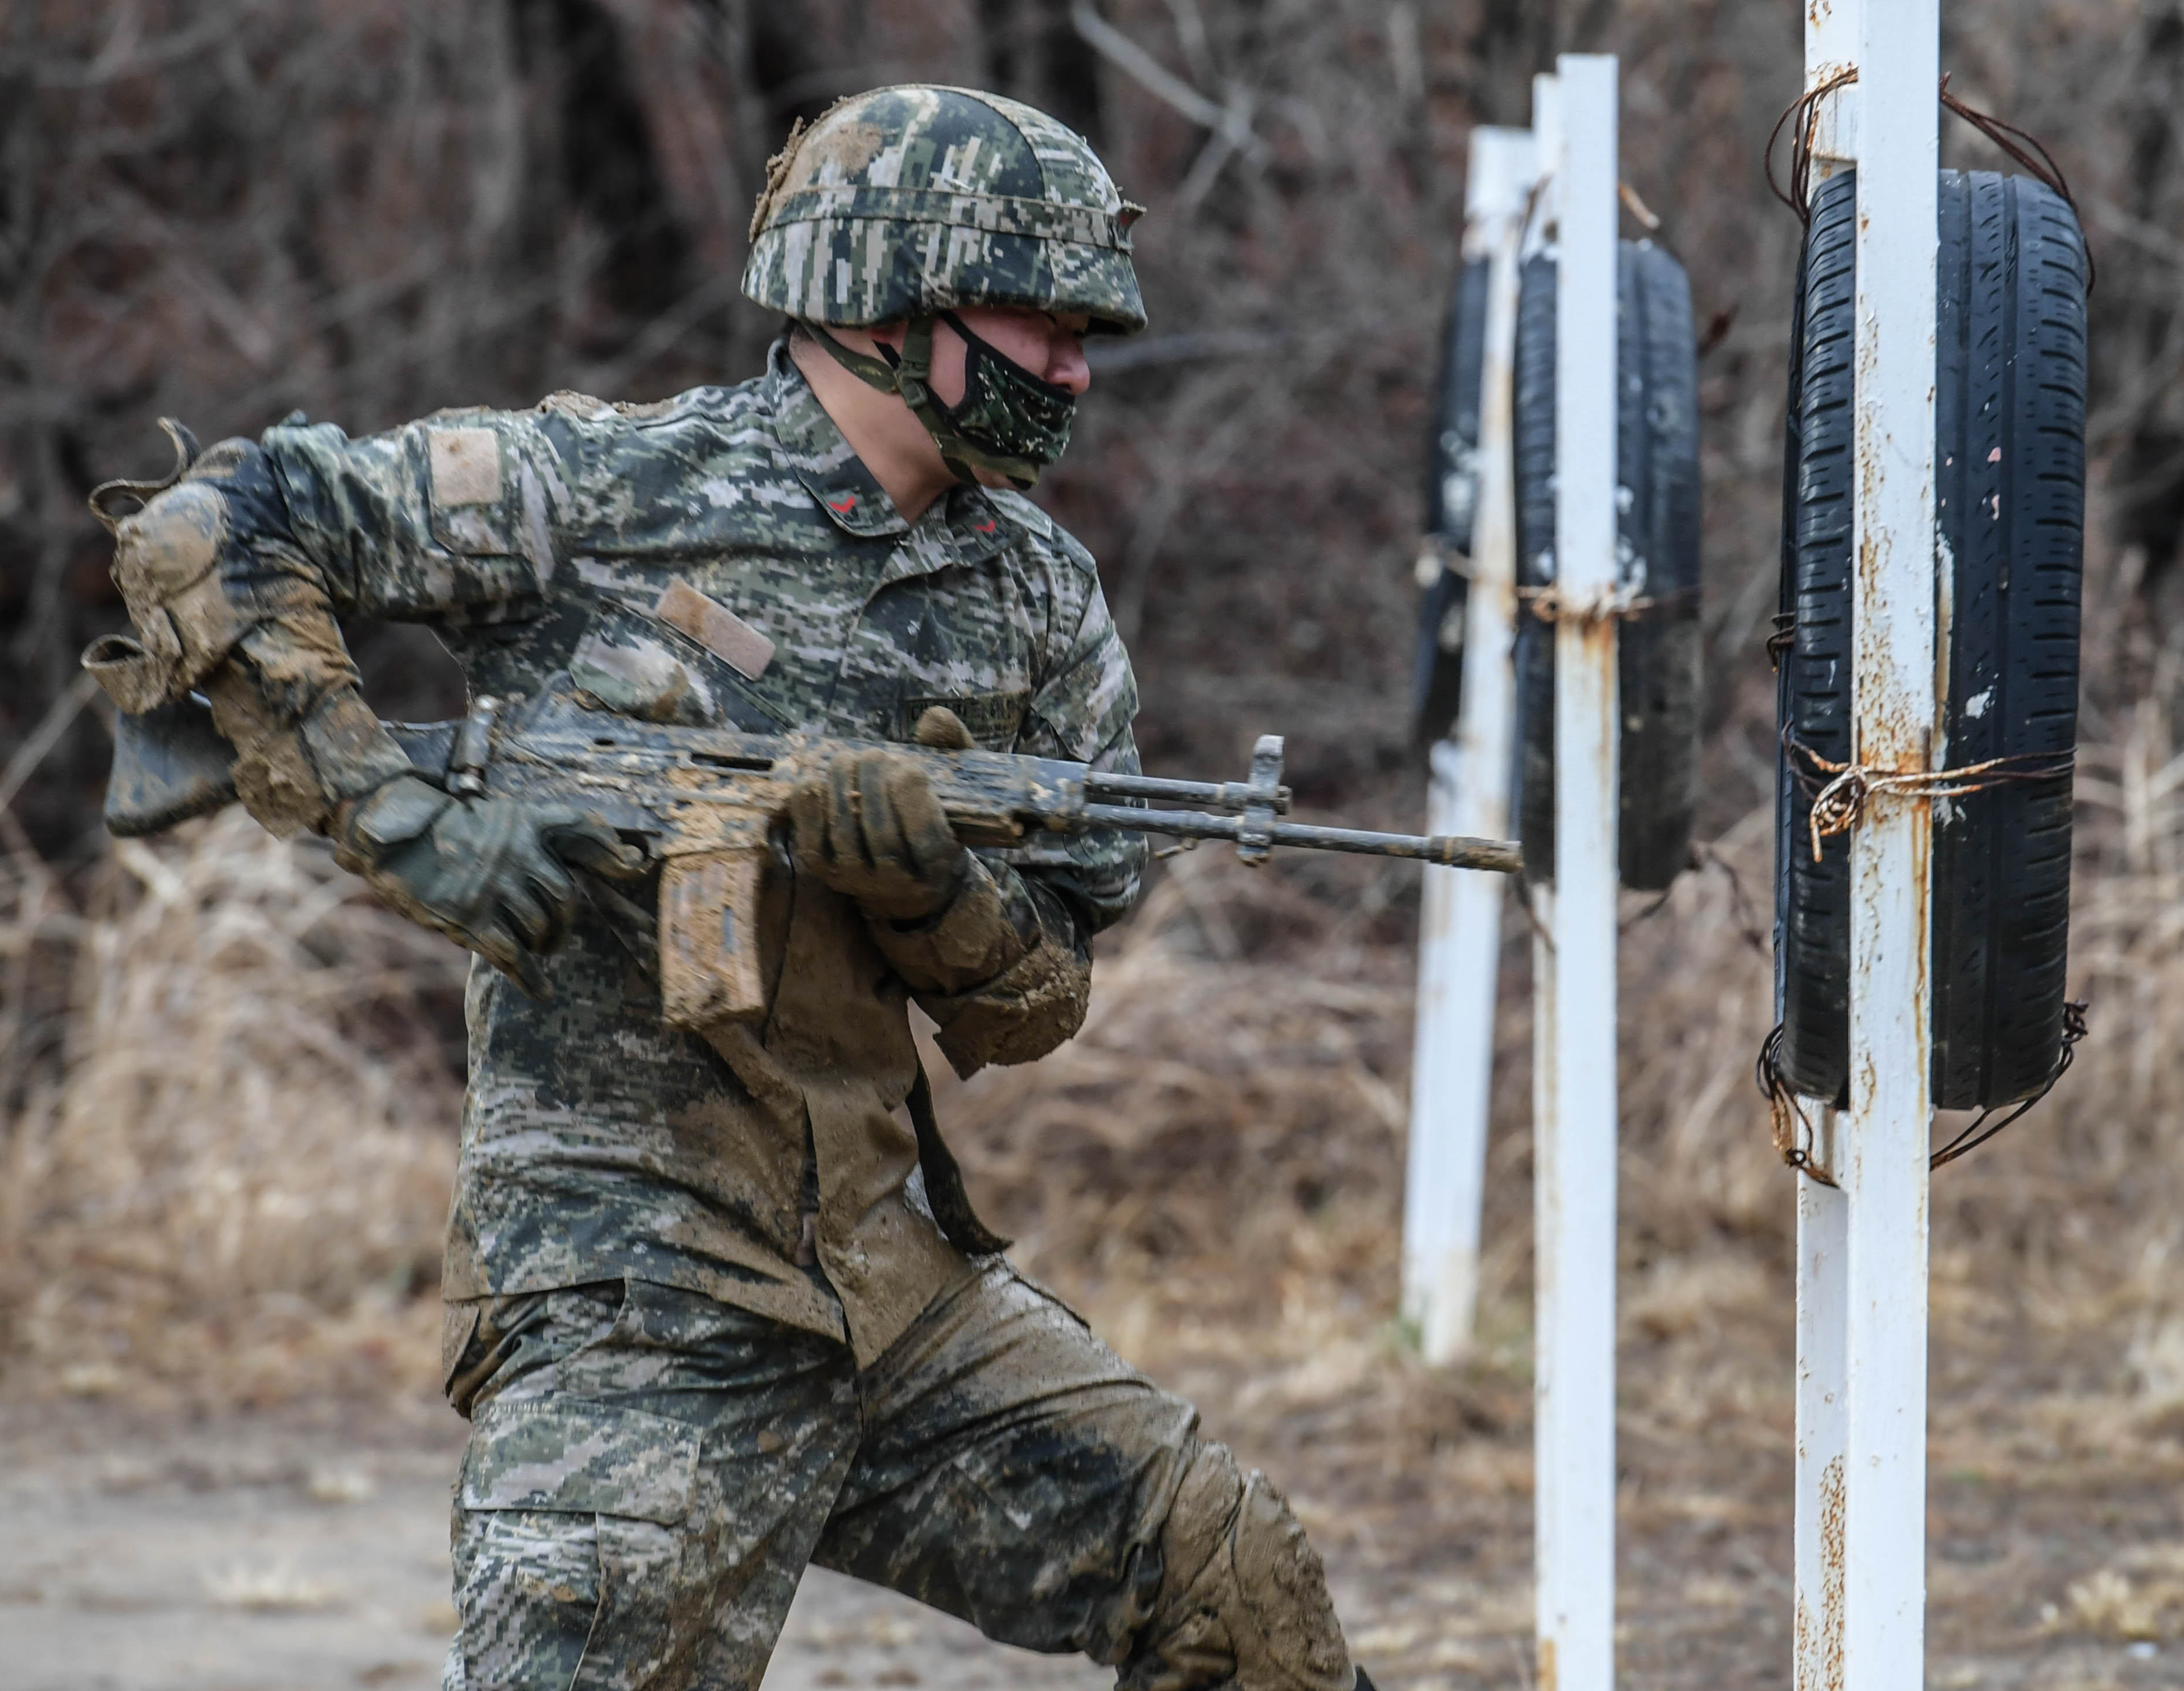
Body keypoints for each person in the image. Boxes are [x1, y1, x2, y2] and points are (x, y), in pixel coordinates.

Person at [87, 84, 1369, 1691]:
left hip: (895, 1290)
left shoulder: (1037, 593)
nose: (1076, 368)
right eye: (1040, 322)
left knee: (1236, 1581)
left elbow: (1038, 999)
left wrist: (926, 894)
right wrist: (400, 810)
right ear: (889, 300)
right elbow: (217, 525)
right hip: (635, 1296)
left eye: (1084, 331)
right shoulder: (600, 489)